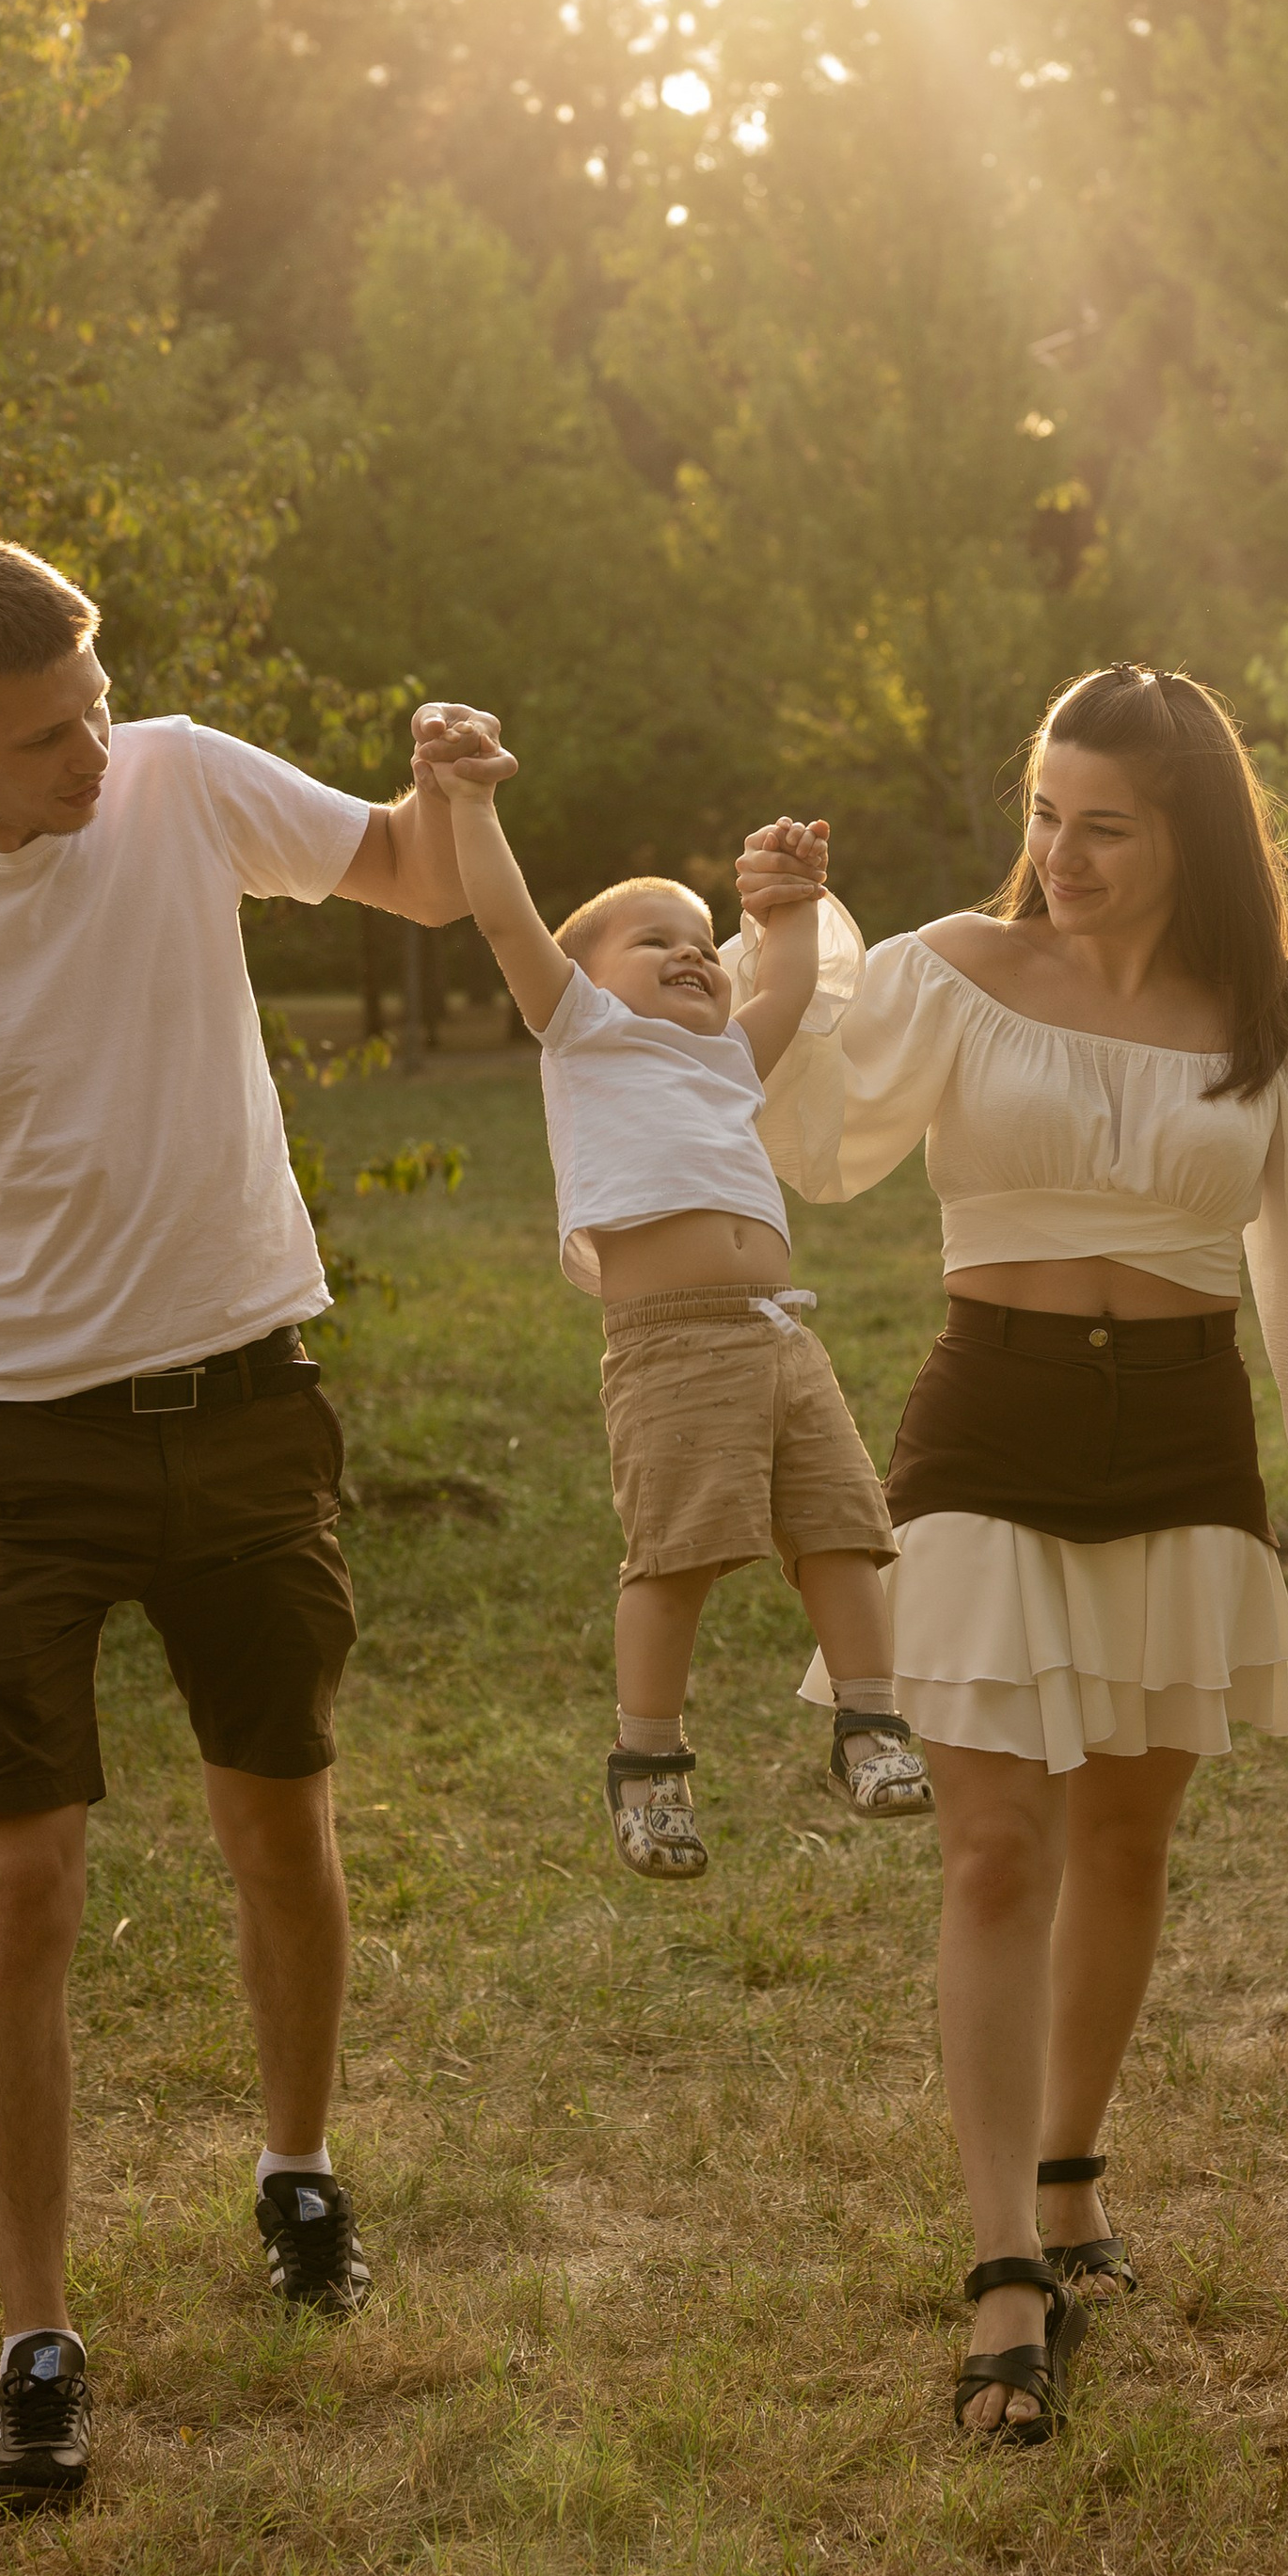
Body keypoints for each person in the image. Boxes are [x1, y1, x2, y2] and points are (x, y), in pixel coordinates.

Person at [0, 535, 507, 2504]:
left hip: (248, 1400)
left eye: (92, 710)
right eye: (37, 742)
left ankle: (296, 2172)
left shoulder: (177, 772)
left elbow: (416, 882)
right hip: (13, 1444)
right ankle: (35, 2336)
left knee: (279, 1810)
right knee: (20, 1884)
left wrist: (442, 779)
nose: (86, 758)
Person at [734, 666, 1288, 2446]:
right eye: (1045, 810)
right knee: (993, 1846)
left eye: (1104, 825)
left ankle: (1069, 2176)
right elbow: (813, 1135)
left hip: (1185, 1433)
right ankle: (1001, 2271)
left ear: (1188, 832)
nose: (1058, 850)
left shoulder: (1268, 1016)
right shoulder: (953, 972)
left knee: (1127, 1837)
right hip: (988, 1425)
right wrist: (775, 942)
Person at [428, 746, 930, 1879]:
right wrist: (469, 800)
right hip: (672, 1347)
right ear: (586, 980)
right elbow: (507, 919)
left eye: (704, 939)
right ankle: (648, 1765)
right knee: (676, 1556)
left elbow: (789, 984)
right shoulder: (586, 1034)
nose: (693, 951)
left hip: (780, 1332)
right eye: (655, 939)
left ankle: (870, 1723)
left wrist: (788, 898)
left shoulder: (726, 1058)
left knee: (845, 1527)